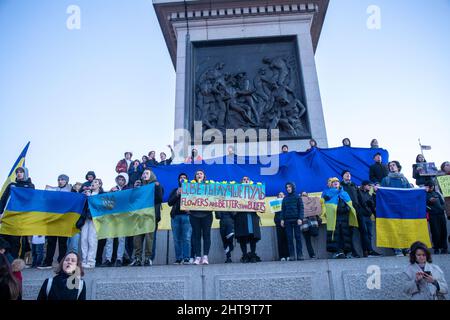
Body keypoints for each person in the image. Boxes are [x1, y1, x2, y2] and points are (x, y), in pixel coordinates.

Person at [0, 167, 35, 259]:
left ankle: (14, 264)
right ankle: (4, 264)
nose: (19, 173)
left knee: (15, 242)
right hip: (8, 218)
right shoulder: (11, 185)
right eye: (17, 172)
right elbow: (3, 200)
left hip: (20, 220)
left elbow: (30, 199)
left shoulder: (31, 186)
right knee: (4, 241)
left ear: (26, 173)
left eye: (21, 172)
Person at [130, 169, 163, 266]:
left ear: (152, 175)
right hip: (139, 217)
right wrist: (134, 189)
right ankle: (137, 258)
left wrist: (156, 188)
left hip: (150, 217)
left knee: (150, 239)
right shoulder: (139, 186)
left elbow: (159, 199)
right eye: (143, 173)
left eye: (147, 173)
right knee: (137, 239)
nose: (144, 175)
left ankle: (148, 258)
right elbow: (132, 201)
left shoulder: (157, 185)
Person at [39, 175, 72, 269]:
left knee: (62, 243)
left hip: (64, 221)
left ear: (66, 181)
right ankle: (48, 262)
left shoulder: (70, 190)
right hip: (53, 220)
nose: (60, 181)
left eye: (62, 180)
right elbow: (45, 200)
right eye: (59, 179)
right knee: (51, 242)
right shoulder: (53, 190)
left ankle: (61, 262)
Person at [381, 161, 412, 256]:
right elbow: (383, 194)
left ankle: (406, 248)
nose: (391, 167)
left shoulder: (404, 179)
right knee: (394, 228)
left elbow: (409, 193)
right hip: (392, 208)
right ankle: (397, 248)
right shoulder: (386, 180)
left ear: (398, 167)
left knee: (404, 228)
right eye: (390, 166)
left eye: (393, 165)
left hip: (403, 208)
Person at [322, 178, 359, 259]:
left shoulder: (344, 193)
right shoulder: (326, 193)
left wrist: (347, 209)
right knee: (335, 236)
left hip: (344, 217)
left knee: (345, 235)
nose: (335, 183)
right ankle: (337, 252)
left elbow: (349, 204)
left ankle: (347, 252)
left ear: (339, 183)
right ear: (330, 184)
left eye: (337, 181)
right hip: (334, 218)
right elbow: (324, 205)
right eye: (333, 182)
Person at [101, 173, 130, 267]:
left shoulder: (128, 190)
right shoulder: (112, 189)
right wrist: (110, 193)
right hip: (112, 217)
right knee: (109, 239)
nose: (120, 181)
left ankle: (119, 259)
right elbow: (107, 203)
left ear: (125, 181)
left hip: (123, 218)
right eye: (119, 179)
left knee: (121, 239)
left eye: (122, 179)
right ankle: (108, 259)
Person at [76, 178, 103, 268]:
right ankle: (84, 260)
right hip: (85, 219)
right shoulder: (86, 193)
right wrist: (82, 195)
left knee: (92, 240)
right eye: (92, 182)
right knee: (84, 239)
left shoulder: (101, 194)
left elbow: (100, 205)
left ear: (99, 185)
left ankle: (91, 261)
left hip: (94, 220)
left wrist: (90, 197)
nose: (93, 183)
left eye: (96, 182)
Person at [234, 176, 262, 263]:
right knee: (243, 237)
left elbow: (260, 204)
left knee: (253, 237)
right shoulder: (236, 192)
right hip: (241, 217)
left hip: (252, 217)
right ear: (241, 182)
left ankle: (253, 255)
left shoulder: (255, 191)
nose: (245, 181)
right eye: (243, 179)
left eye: (247, 179)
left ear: (249, 181)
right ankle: (245, 255)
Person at [189, 170, 213, 265]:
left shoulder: (210, 186)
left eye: (201, 174)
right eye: (197, 174)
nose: (199, 175)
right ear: (195, 176)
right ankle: (198, 256)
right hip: (194, 215)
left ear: (204, 176)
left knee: (206, 235)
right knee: (196, 236)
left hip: (207, 215)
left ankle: (205, 256)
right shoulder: (190, 186)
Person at [168, 173, 192, 265]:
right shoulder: (175, 190)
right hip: (175, 217)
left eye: (184, 178)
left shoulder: (191, 190)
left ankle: (186, 258)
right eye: (181, 178)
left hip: (187, 217)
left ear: (187, 180)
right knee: (176, 239)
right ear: (178, 180)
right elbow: (170, 203)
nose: (182, 179)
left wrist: (191, 211)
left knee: (186, 238)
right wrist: (177, 194)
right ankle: (179, 258)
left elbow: (196, 202)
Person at [340, 170, 362, 258]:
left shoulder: (354, 186)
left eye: (349, 174)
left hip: (357, 211)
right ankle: (351, 252)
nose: (348, 175)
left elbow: (359, 197)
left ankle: (365, 251)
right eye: (346, 174)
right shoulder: (341, 187)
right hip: (347, 212)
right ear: (342, 176)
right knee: (349, 233)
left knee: (359, 232)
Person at [280, 183, 304, 261]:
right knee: (289, 238)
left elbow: (301, 208)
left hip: (296, 220)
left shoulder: (298, 197)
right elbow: (283, 210)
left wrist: (300, 218)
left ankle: (300, 255)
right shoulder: (285, 198)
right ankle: (292, 255)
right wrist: (282, 219)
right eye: (287, 187)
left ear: (293, 187)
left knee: (298, 238)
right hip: (287, 221)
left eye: (290, 187)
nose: (288, 188)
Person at [357, 181, 381, 257]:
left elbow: (372, 205)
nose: (370, 187)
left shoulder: (368, 194)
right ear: (364, 185)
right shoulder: (358, 192)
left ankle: (369, 250)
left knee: (369, 234)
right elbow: (360, 203)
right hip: (362, 216)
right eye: (368, 185)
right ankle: (366, 251)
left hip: (368, 216)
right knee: (364, 233)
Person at [425, 182, 448, 254]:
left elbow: (442, 202)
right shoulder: (424, 194)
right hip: (432, 215)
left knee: (443, 231)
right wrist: (429, 201)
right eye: (429, 186)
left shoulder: (437, 194)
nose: (431, 187)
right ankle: (436, 248)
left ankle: (444, 248)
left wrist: (443, 208)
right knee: (435, 232)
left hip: (441, 214)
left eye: (432, 186)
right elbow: (422, 203)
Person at [300, 192, 321, 259]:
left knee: (315, 236)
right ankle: (312, 255)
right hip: (304, 225)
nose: (304, 196)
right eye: (303, 195)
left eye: (305, 195)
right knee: (307, 240)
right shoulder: (299, 204)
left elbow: (316, 210)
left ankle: (317, 254)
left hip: (313, 223)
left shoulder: (312, 202)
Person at [274, 192, 289, 261]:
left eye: (282, 195)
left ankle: (288, 255)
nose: (281, 195)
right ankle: (282, 256)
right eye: (279, 195)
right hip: (278, 222)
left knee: (288, 239)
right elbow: (275, 213)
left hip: (287, 222)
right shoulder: (275, 203)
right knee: (280, 239)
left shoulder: (287, 202)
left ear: (284, 196)